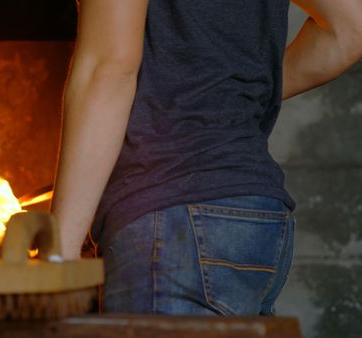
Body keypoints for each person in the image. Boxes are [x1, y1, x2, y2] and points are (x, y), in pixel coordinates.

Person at [51, 0, 362, 315]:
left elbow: (108, 67)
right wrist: (228, 96)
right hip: (257, 215)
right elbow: (351, 29)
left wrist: (59, 251)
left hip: (172, 219)